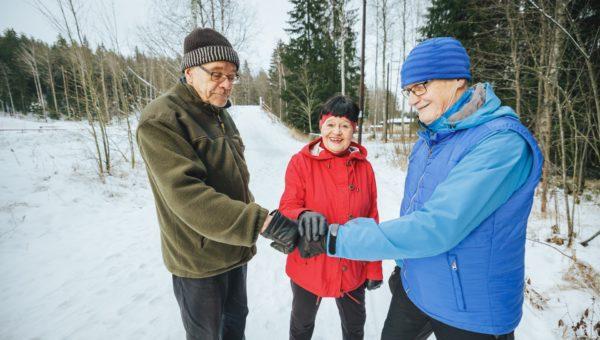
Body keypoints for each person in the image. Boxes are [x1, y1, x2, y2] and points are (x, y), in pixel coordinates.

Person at [300, 37, 543, 339]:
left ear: (457, 79)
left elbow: (438, 225)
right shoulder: (429, 139)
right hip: (415, 288)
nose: (413, 99)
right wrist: (402, 269)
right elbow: (413, 210)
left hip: (470, 311)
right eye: (408, 90)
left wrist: (335, 238)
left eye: (421, 86)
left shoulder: (501, 143)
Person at [136, 27, 299, 340]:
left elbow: (235, 180)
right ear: (189, 72)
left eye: (232, 75)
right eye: (217, 74)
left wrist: (253, 227)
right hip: (199, 262)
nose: (226, 84)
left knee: (235, 327)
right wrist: (264, 222)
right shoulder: (161, 119)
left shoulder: (220, 114)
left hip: (233, 250)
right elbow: (189, 198)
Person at [279, 95, 383, 340]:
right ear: (321, 126)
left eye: (345, 126)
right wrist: (303, 215)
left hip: (352, 266)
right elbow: (287, 206)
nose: (337, 132)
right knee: (301, 326)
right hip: (310, 264)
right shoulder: (300, 163)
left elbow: (372, 220)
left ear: (353, 130)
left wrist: (374, 267)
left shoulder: (364, 168)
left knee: (355, 327)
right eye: (331, 124)